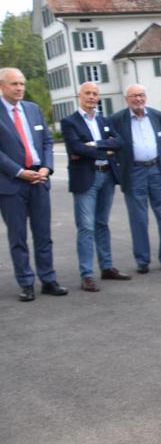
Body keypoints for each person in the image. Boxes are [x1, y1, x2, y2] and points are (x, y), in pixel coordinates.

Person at [0, 67, 67, 301]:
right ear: (1, 86)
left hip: (39, 181)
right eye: (14, 84)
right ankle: (26, 282)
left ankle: (48, 279)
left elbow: (47, 141)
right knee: (18, 237)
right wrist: (19, 172)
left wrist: (46, 168)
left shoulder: (33, 109)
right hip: (11, 185)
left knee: (43, 234)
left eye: (22, 84)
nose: (19, 88)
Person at [60, 82, 132, 292]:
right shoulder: (69, 122)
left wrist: (94, 145)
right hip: (86, 179)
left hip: (106, 176)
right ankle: (87, 274)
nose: (92, 97)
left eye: (95, 94)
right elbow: (75, 148)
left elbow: (119, 143)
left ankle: (107, 267)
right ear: (79, 95)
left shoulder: (104, 120)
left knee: (102, 224)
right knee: (86, 227)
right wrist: (104, 148)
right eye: (88, 93)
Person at [110, 84, 161, 274]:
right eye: (134, 96)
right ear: (126, 99)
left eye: (141, 95)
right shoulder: (116, 120)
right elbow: (111, 146)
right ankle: (142, 259)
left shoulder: (157, 116)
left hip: (156, 169)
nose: (138, 99)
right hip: (134, 172)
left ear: (145, 97)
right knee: (138, 219)